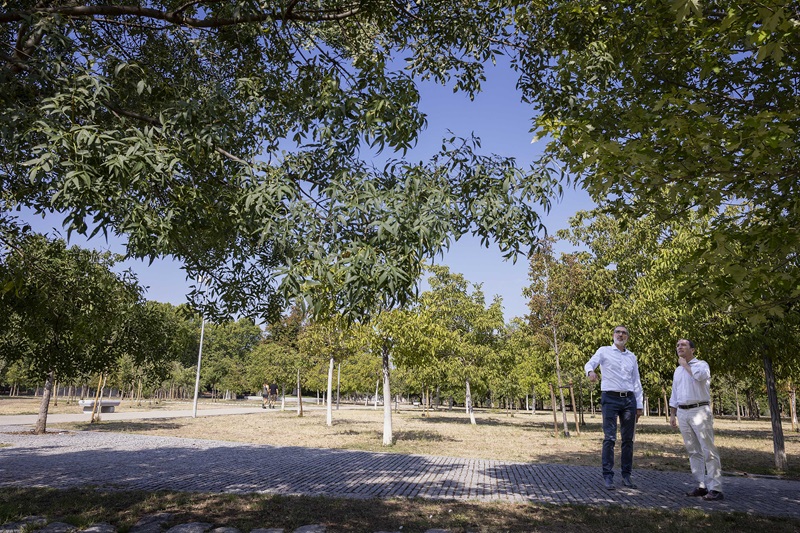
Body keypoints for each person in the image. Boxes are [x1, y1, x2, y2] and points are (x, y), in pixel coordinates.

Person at [584, 325, 644, 490]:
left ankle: (626, 476)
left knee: (628, 440)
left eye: (624, 333)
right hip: (610, 398)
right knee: (609, 438)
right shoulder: (603, 351)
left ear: (627, 337)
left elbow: (636, 381)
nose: (620, 334)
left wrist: (639, 405)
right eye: (618, 332)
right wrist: (591, 373)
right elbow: (590, 364)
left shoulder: (632, 357)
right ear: (613, 335)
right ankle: (608, 476)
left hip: (629, 400)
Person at [669, 338, 723, 501]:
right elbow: (675, 393)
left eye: (683, 345)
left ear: (692, 349)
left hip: (700, 410)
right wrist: (673, 414)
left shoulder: (701, 365)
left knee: (708, 449)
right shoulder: (678, 371)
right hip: (683, 412)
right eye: (677, 345)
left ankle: (716, 488)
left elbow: (699, 377)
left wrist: (685, 365)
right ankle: (701, 485)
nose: (679, 347)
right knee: (693, 450)